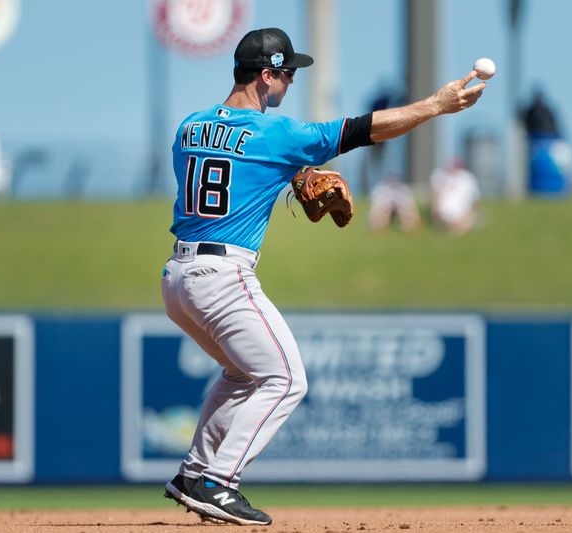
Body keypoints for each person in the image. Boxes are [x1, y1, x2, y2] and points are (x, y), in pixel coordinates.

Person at [160, 27, 487, 526]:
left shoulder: (189, 127)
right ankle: (217, 482)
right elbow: (366, 129)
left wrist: (292, 173)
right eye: (288, 74)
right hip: (222, 275)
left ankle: (195, 472)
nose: (290, 83)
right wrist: (435, 105)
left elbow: (234, 163)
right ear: (266, 75)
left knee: (240, 373)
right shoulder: (279, 135)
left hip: (177, 278)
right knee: (285, 379)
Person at [430, 158, 482, 236]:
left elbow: (474, 198)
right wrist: (435, 209)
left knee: (473, 216)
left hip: (459, 209)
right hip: (449, 211)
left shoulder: (467, 179)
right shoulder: (443, 176)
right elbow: (436, 194)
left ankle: (456, 229)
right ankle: (456, 230)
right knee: (472, 218)